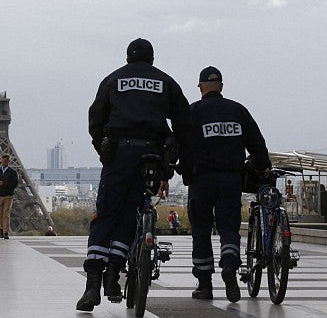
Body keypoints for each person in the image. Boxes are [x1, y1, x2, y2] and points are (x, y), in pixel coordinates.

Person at [77, 38, 193, 311]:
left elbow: (96, 119)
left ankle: (92, 283)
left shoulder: (113, 80)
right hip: (152, 156)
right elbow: (184, 126)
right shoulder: (166, 82)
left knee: (106, 215)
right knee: (131, 215)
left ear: (127, 58)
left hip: (119, 153)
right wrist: (171, 163)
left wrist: (103, 150)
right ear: (152, 59)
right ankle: (114, 274)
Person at [188, 66, 271, 303]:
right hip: (231, 180)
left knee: (201, 231)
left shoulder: (193, 112)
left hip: (201, 180)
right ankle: (230, 267)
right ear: (221, 87)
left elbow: (179, 143)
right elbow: (256, 143)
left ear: (201, 87)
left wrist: (172, 168)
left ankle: (204, 285)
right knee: (228, 229)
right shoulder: (238, 111)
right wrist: (263, 167)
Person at [0, 154, 19, 240]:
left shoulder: (13, 172)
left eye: (6, 161)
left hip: (8, 196)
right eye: (3, 161)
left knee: (6, 214)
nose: (4, 162)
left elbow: (15, 184)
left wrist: (4, 184)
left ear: (9, 162)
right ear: (1, 161)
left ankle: (6, 232)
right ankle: (1, 229)